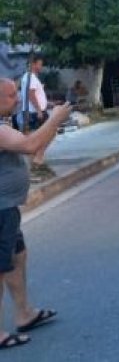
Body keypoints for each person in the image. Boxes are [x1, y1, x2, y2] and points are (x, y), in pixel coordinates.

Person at [0, 79, 72, 349]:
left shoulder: (5, 127)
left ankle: (23, 313)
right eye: (10, 95)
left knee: (18, 256)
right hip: (1, 211)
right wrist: (53, 119)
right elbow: (31, 145)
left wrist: (54, 123)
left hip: (8, 209)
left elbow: (36, 150)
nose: (17, 99)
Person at [17, 55, 55, 183]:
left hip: (33, 111)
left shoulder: (28, 77)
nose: (41, 66)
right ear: (33, 64)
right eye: (39, 64)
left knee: (39, 136)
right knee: (47, 133)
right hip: (34, 112)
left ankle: (36, 162)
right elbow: (31, 94)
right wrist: (39, 109)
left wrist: (46, 103)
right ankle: (37, 160)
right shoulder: (30, 77)